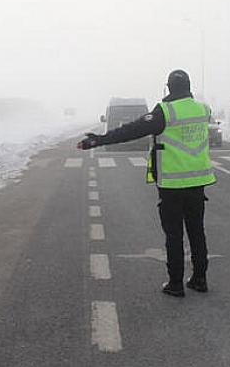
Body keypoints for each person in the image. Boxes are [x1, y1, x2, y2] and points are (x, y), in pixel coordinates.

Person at [77, 70, 216, 297]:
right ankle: (200, 279)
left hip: (172, 184)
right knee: (197, 232)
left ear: (169, 88)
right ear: (189, 86)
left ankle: (175, 284)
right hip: (198, 182)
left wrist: (99, 140)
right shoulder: (203, 109)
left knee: (174, 236)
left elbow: (132, 130)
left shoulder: (165, 112)